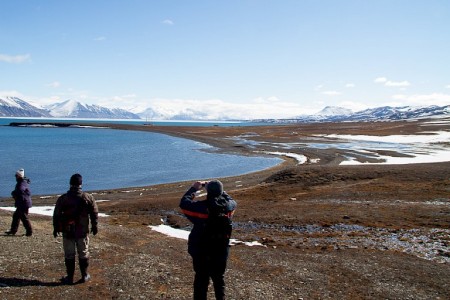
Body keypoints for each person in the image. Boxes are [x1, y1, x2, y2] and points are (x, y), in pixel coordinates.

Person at [179, 179, 237, 300]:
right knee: (219, 280)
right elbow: (232, 200)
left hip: (201, 252)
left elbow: (184, 203)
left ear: (207, 192)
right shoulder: (229, 208)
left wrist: (194, 188)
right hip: (220, 251)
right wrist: (219, 189)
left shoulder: (200, 208)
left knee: (201, 280)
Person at [53, 173, 98, 285]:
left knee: (69, 254)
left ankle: (70, 277)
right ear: (81, 184)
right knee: (83, 253)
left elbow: (56, 214)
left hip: (67, 231)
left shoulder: (63, 199)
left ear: (70, 184)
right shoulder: (88, 198)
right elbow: (94, 213)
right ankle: (84, 275)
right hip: (82, 231)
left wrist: (56, 228)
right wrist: (94, 226)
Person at [5, 168, 33, 236]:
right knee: (16, 216)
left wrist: (14, 193)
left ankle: (29, 232)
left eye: (16, 175)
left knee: (24, 218)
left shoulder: (21, 184)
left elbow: (20, 190)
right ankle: (13, 230)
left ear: (19, 176)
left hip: (23, 203)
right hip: (24, 202)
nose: (15, 176)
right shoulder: (23, 182)